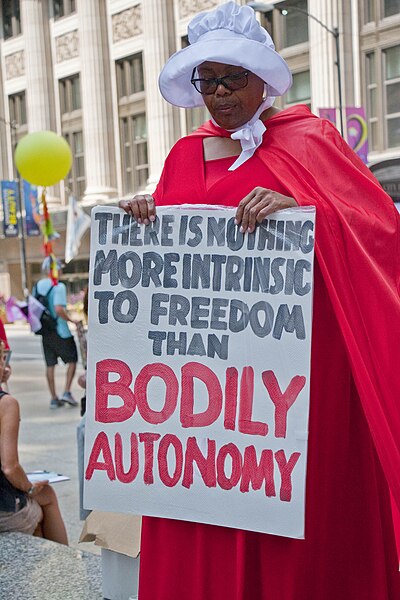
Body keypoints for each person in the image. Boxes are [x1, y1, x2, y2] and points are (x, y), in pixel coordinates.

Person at [119, 2, 400, 598]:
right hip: (203, 392)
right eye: (206, 80)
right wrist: (143, 219)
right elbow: (167, 264)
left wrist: (309, 216)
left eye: (231, 78)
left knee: (286, 520)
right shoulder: (183, 154)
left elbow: (377, 230)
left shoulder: (312, 140)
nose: (217, 94)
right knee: (204, 505)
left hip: (291, 387)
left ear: (262, 78)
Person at [0, 345, 68, 544]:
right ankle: (66, 566)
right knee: (46, 494)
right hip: (4, 511)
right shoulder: (6, 404)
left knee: (37, 523)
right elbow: (10, 467)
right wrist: (29, 488)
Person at [33, 262, 79, 409]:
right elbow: (59, 309)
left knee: (50, 364)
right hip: (61, 331)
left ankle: (53, 398)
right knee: (72, 360)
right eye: (59, 269)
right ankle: (67, 391)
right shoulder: (59, 286)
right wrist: (72, 320)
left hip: (45, 332)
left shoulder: (38, 285)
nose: (60, 272)